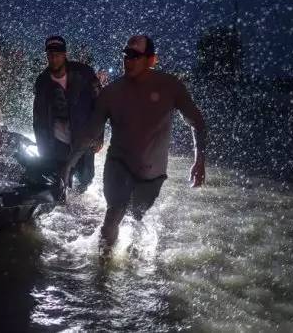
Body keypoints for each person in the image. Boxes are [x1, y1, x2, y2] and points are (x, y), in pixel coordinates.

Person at [61, 35, 206, 254]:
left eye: (135, 56)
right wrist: (68, 164)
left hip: (152, 175)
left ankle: (132, 261)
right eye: (125, 55)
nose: (128, 60)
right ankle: (102, 270)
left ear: (151, 60)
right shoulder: (111, 93)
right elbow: (90, 133)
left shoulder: (170, 87)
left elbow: (197, 122)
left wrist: (199, 160)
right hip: (118, 164)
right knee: (113, 216)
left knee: (135, 217)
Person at [33, 35, 102, 200]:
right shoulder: (42, 82)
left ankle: (80, 204)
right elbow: (38, 117)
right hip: (57, 143)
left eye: (57, 54)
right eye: (50, 54)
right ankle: (63, 207)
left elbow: (100, 105)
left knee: (85, 178)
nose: (54, 58)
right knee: (62, 184)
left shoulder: (85, 73)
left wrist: (100, 136)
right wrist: (42, 147)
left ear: (65, 54)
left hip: (83, 139)